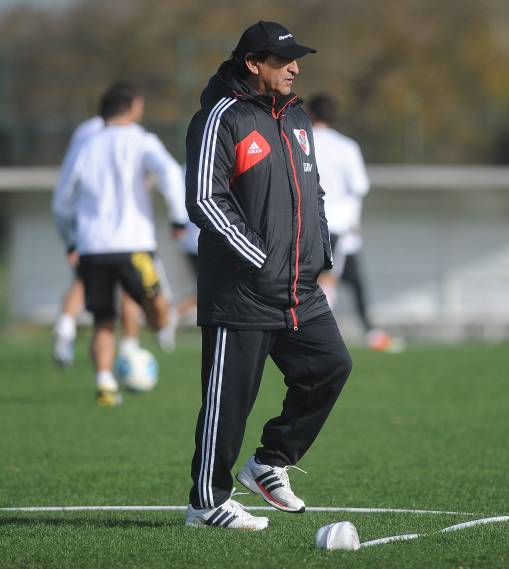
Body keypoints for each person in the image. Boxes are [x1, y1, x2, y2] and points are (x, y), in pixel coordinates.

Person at [184, 21, 352, 530]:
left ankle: (270, 462)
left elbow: (313, 191)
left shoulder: (297, 116)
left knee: (330, 367)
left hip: (299, 288)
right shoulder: (220, 117)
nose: (295, 68)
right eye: (283, 60)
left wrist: (319, 253)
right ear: (253, 63)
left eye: (296, 60)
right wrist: (258, 258)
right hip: (241, 291)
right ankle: (207, 503)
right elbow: (204, 199)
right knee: (229, 402)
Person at [52, 81, 188, 406]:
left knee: (102, 319)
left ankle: (105, 383)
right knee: (159, 315)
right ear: (134, 107)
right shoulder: (141, 140)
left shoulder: (85, 145)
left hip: (92, 247)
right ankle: (151, 319)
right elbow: (170, 173)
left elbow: (61, 200)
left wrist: (70, 240)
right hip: (134, 245)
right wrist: (178, 217)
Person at [308, 93, 405, 353]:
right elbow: (360, 186)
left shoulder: (300, 141)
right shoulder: (346, 146)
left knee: (350, 279)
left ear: (310, 114)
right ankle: (320, 337)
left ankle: (370, 333)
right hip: (338, 224)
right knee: (326, 281)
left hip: (308, 224)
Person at [52, 115, 143, 367]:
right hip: (123, 229)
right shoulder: (129, 131)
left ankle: (66, 324)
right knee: (129, 289)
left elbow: (69, 181)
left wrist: (69, 236)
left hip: (88, 227)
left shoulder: (85, 130)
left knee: (84, 282)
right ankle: (130, 347)